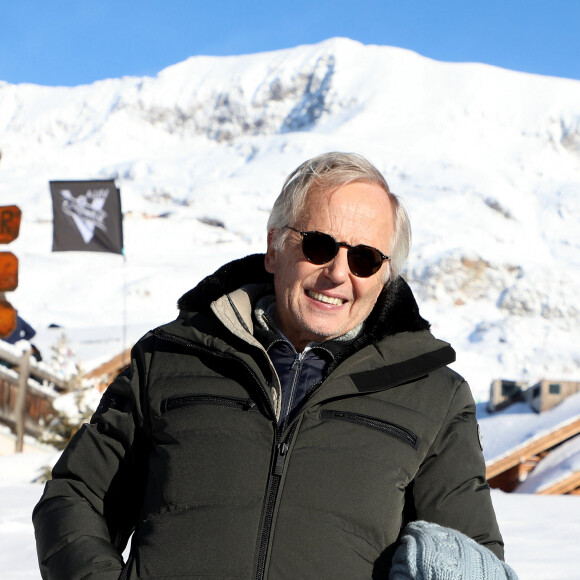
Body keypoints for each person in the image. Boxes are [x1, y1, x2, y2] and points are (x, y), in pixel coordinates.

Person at [33, 152, 510, 579]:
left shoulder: (433, 395)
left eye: (365, 258)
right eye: (320, 246)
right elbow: (75, 498)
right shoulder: (170, 359)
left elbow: (470, 561)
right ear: (275, 246)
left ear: (384, 276)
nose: (339, 274)